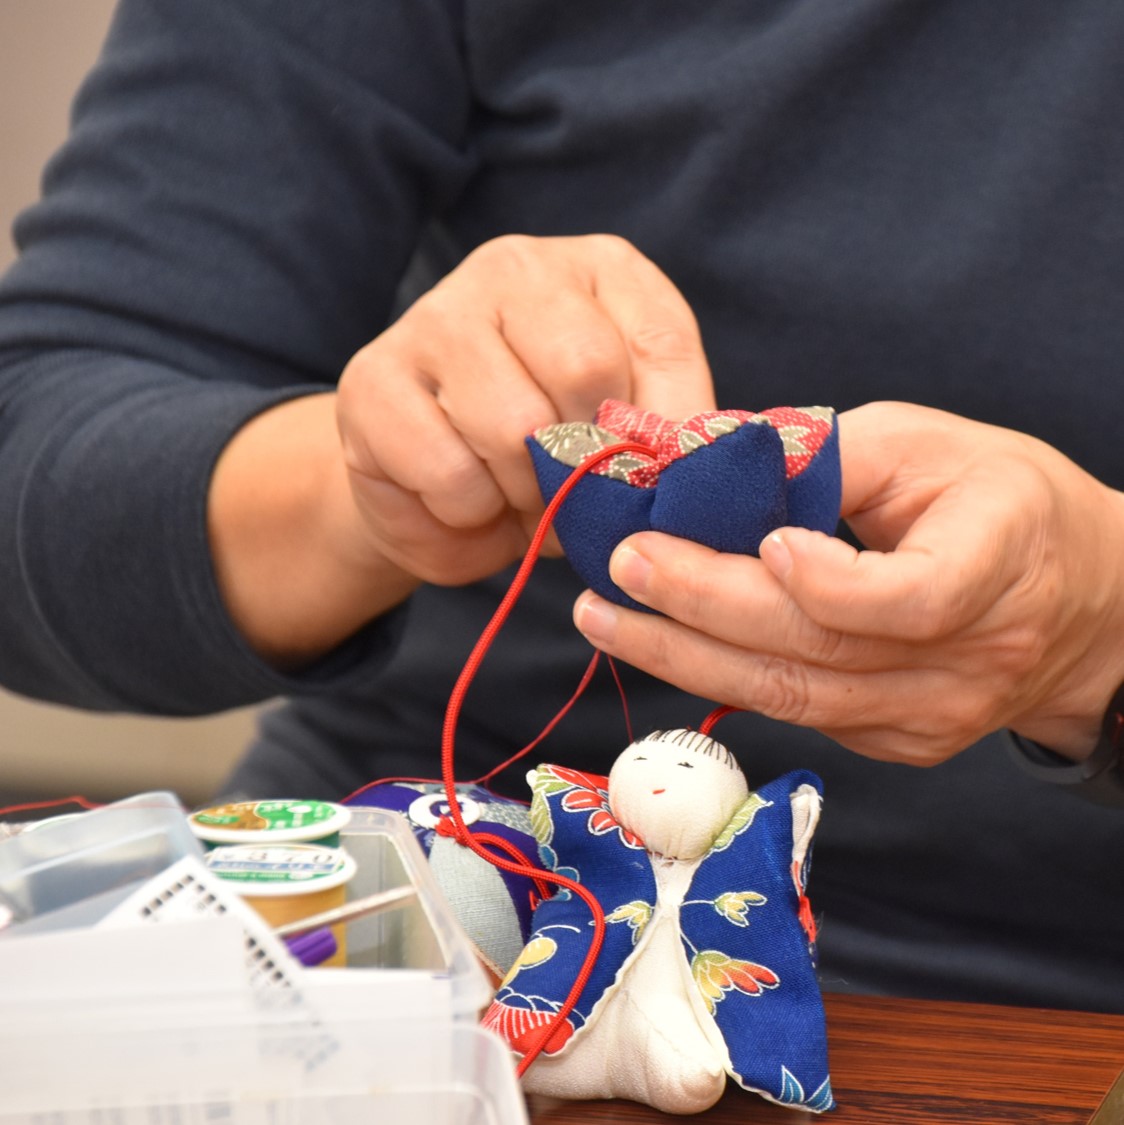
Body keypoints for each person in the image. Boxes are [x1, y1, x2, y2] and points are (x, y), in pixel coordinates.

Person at [1, 0, 1122, 1018]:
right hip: (421, 928)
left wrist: (1101, 633)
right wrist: (375, 483)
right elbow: (39, 450)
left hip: (1058, 1004)